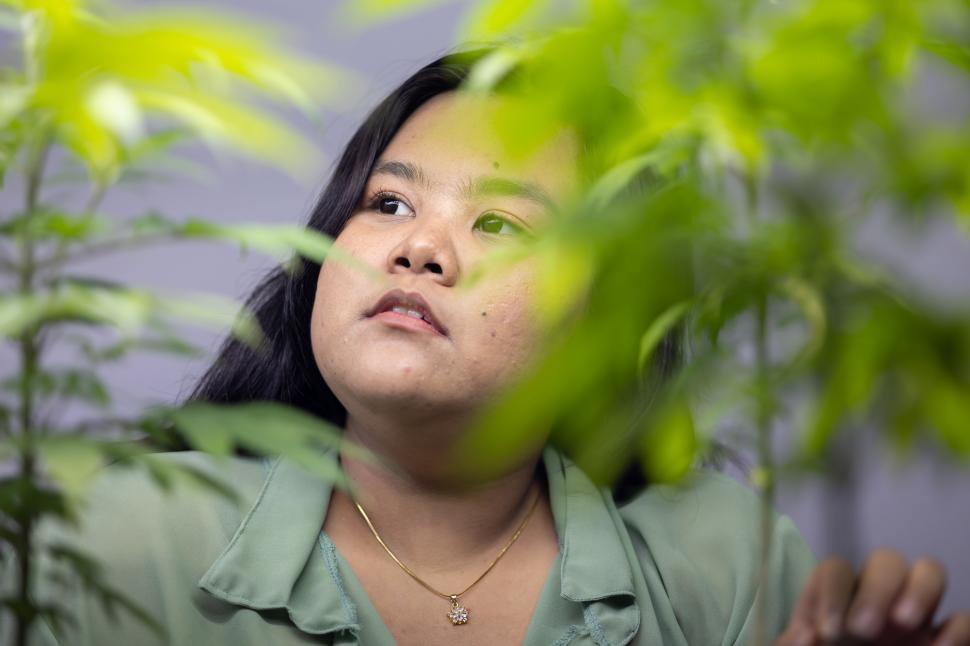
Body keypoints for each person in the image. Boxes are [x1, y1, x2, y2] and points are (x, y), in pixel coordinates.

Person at [11, 50, 970, 646]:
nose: (418, 246)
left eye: (504, 225)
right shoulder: (107, 538)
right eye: (387, 202)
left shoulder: (730, 563)